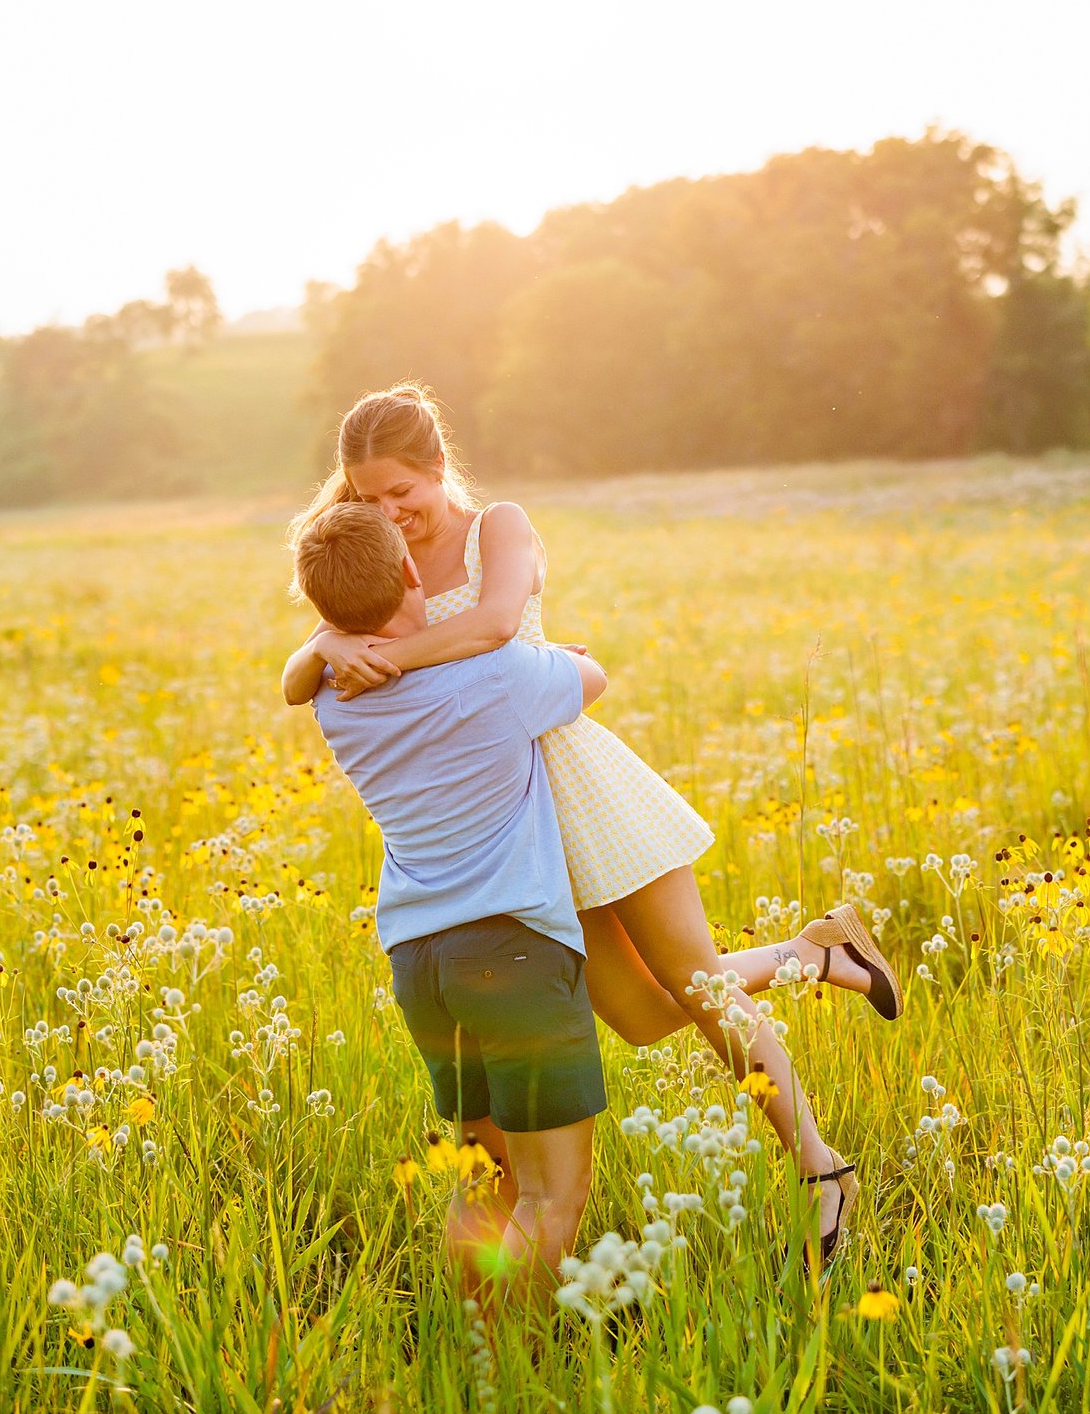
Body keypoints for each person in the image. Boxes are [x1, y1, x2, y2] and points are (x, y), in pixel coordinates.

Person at [283, 385, 898, 1266]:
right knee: (646, 1017)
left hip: (575, 781)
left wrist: (373, 657)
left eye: (400, 494)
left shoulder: (496, 524)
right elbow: (295, 678)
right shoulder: (381, 560)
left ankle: (820, 1169)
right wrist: (317, 649)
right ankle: (815, 955)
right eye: (365, 499)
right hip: (511, 826)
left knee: (698, 986)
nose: (388, 515)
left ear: (435, 468)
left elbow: (497, 624)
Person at [295, 500, 609, 1297]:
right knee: (552, 1196)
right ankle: (509, 1384)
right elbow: (593, 675)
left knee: (486, 1186)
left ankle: (472, 1364)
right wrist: (546, 655)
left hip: (422, 965)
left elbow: (307, 673)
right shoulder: (498, 676)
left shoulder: (335, 701)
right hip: (516, 949)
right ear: (410, 573)